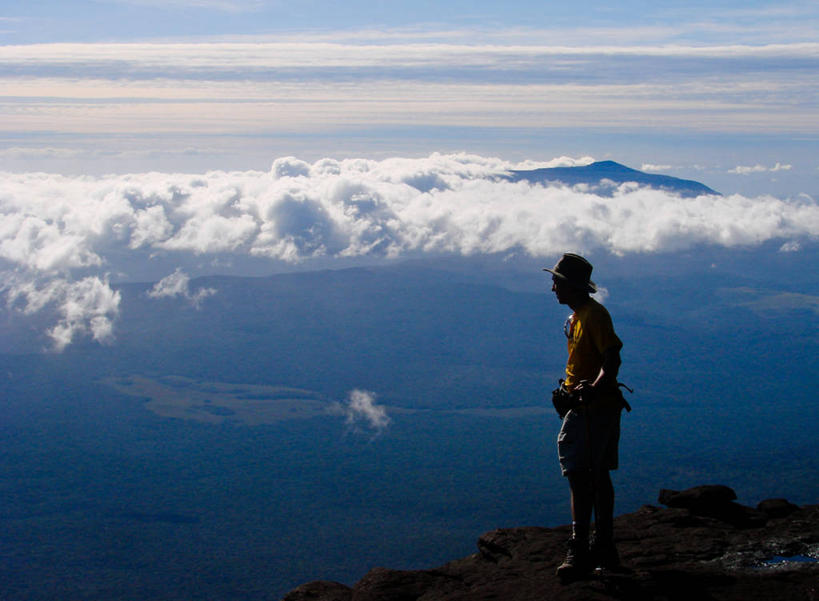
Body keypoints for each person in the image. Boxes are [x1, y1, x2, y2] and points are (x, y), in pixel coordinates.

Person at [544, 253, 624, 578]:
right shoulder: (579, 317)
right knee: (598, 473)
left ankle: (580, 550)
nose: (553, 288)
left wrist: (591, 388)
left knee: (579, 473)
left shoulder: (594, 316)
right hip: (596, 405)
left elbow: (612, 358)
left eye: (556, 282)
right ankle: (603, 545)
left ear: (572, 286)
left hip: (592, 408)